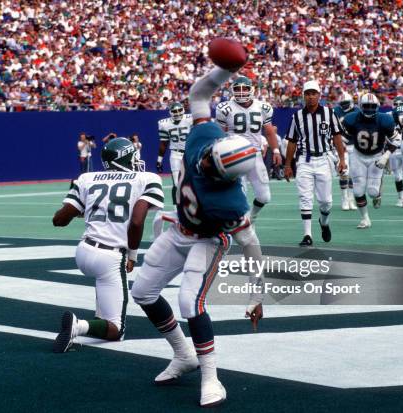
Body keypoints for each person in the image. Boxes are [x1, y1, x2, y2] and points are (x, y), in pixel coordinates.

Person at [131, 59, 264, 407]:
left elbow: (251, 245)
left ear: (227, 177)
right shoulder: (205, 137)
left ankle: (211, 378)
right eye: (209, 158)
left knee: (190, 302)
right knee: (142, 292)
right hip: (179, 228)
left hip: (208, 240)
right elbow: (199, 92)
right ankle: (183, 355)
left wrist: (257, 293)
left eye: (211, 167)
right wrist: (225, 69)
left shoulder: (230, 202)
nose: (203, 164)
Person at [52, 138, 164, 352]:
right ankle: (79, 325)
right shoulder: (146, 178)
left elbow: (59, 220)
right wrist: (133, 254)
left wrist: (84, 209)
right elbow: (137, 220)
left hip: (83, 251)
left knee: (104, 305)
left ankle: (99, 319)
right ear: (125, 157)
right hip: (110, 257)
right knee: (117, 330)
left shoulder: (87, 178)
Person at [284, 80, 346, 247]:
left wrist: (342, 159)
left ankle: (324, 223)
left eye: (313, 93)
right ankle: (307, 235)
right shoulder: (297, 116)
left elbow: (337, 136)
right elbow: (291, 141)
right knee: (305, 198)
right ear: (303, 96)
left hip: (324, 159)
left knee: (326, 202)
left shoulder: (329, 113)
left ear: (319, 95)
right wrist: (288, 164)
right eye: (307, 93)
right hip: (304, 159)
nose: (310, 97)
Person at [215, 76, 282, 222]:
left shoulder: (263, 107)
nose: (241, 92)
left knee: (264, 196)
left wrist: (276, 150)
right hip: (233, 156)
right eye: (237, 89)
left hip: (255, 154)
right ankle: (240, 224)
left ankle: (252, 216)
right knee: (240, 195)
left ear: (251, 89)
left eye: (244, 88)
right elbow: (219, 134)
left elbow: (269, 131)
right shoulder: (224, 108)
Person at [340, 93, 400, 229]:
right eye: (366, 106)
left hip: (376, 156)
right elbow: (342, 138)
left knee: (372, 192)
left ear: (377, 106)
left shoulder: (385, 120)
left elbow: (397, 139)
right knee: (358, 191)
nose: (369, 109)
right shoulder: (351, 119)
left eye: (372, 106)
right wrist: (340, 155)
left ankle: (378, 194)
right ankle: (365, 218)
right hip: (358, 155)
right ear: (360, 106)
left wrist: (386, 156)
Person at [157, 102, 193, 205]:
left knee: (194, 181)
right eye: (174, 111)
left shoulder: (190, 118)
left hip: (190, 153)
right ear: (170, 112)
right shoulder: (164, 124)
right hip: (175, 154)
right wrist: (159, 160)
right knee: (177, 184)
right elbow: (164, 143)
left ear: (183, 110)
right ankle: (177, 209)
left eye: (179, 110)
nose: (177, 113)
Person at [333, 92, 358, 210]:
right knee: (343, 173)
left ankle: (351, 199)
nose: (344, 105)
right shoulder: (336, 111)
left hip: (355, 145)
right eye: (342, 103)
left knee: (353, 174)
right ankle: (344, 199)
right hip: (341, 145)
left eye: (346, 103)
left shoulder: (357, 111)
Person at [388, 96, 403, 207]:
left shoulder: (390, 115)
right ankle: (402, 198)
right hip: (395, 148)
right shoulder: (389, 115)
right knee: (399, 175)